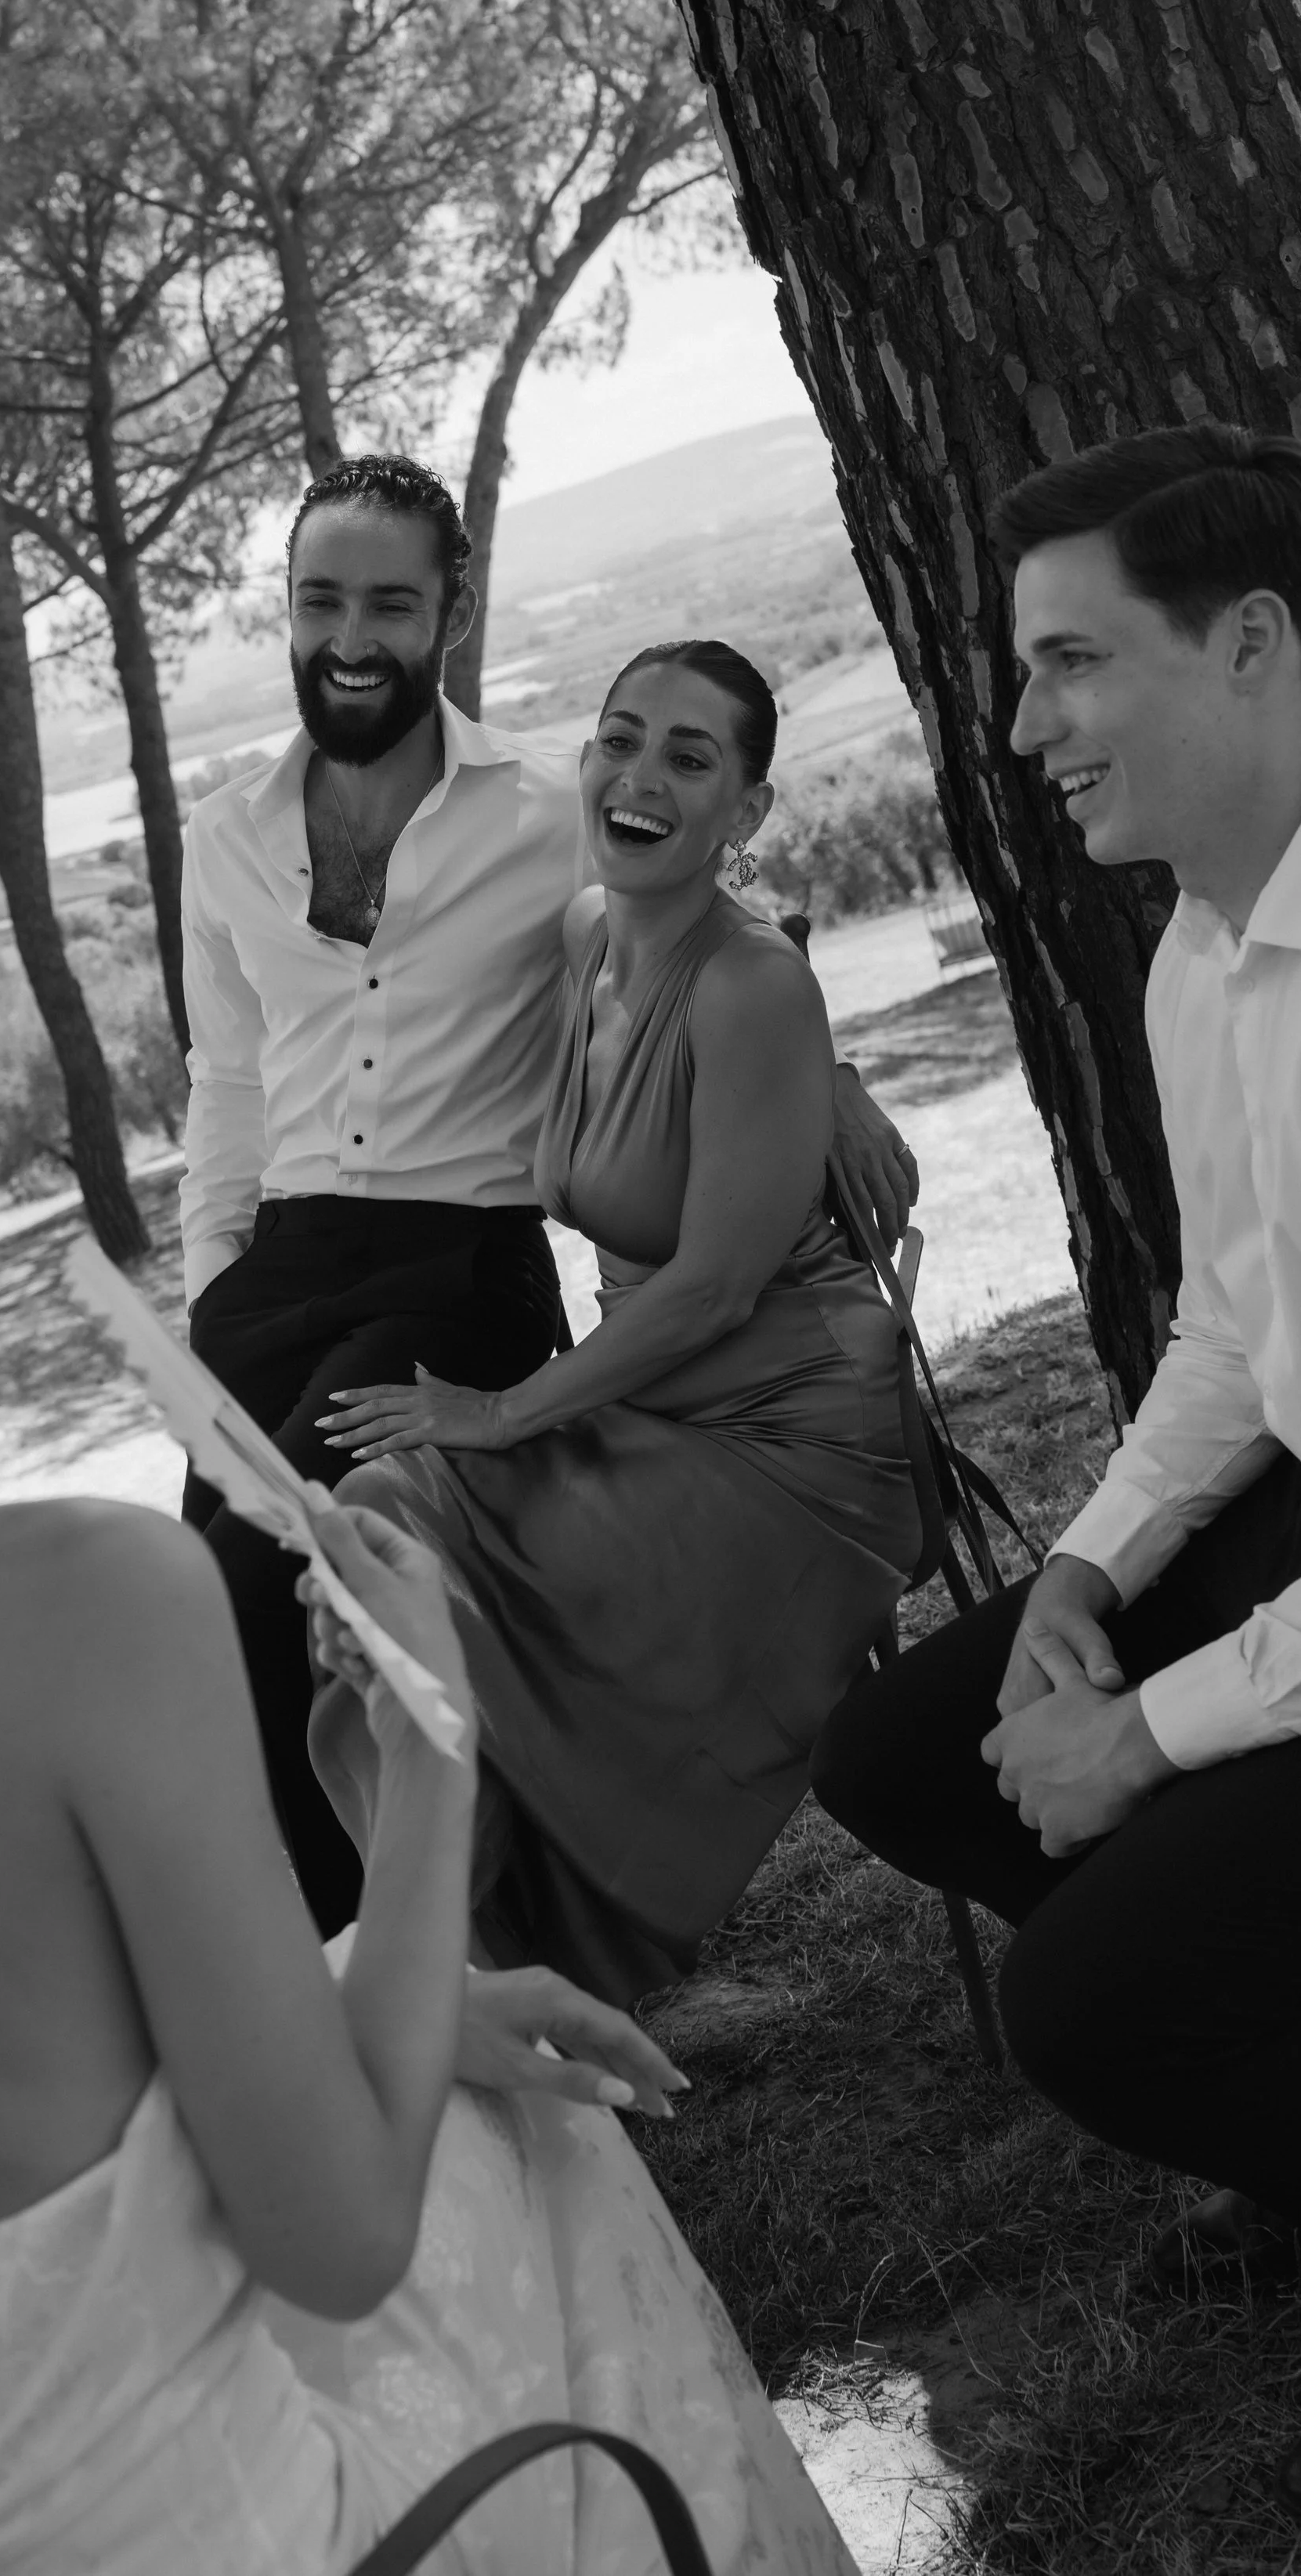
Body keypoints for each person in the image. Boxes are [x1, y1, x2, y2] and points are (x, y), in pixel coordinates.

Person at [0, 901, 855, 2576]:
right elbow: (339, 2240)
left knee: (473, 2077)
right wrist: (431, 1759)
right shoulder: (84, 1593)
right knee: (548, 2155)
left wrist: (365, 1995)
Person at [811, 425, 1301, 2527]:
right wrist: (1085, 1589)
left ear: (1249, 644)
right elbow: (1227, 1323)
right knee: (909, 1752)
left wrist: (1148, 1737)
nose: (1022, 728)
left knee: (1087, 2003)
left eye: (1067, 662)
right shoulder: (1206, 934)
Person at [180, 456, 913, 1934]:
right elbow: (232, 1090)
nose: (352, 633)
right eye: (323, 598)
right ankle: (300, 1973)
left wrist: (778, 975)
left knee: (309, 1579)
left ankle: (394, 1982)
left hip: (458, 1271)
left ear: (449, 618)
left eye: (392, 601)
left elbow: (685, 934)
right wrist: (209, 1301)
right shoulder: (225, 836)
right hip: (274, 1267)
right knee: (205, 1615)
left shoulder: (541, 820)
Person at [315, 641, 923, 2006]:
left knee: (430, 1547)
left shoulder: (750, 983)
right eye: (619, 738)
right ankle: (474, 1963)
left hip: (792, 1439)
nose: (640, 777)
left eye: (689, 758)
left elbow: (711, 1286)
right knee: (376, 1528)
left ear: (746, 813)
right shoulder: (588, 933)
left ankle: (498, 1972)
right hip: (657, 1404)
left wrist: (497, 1412)